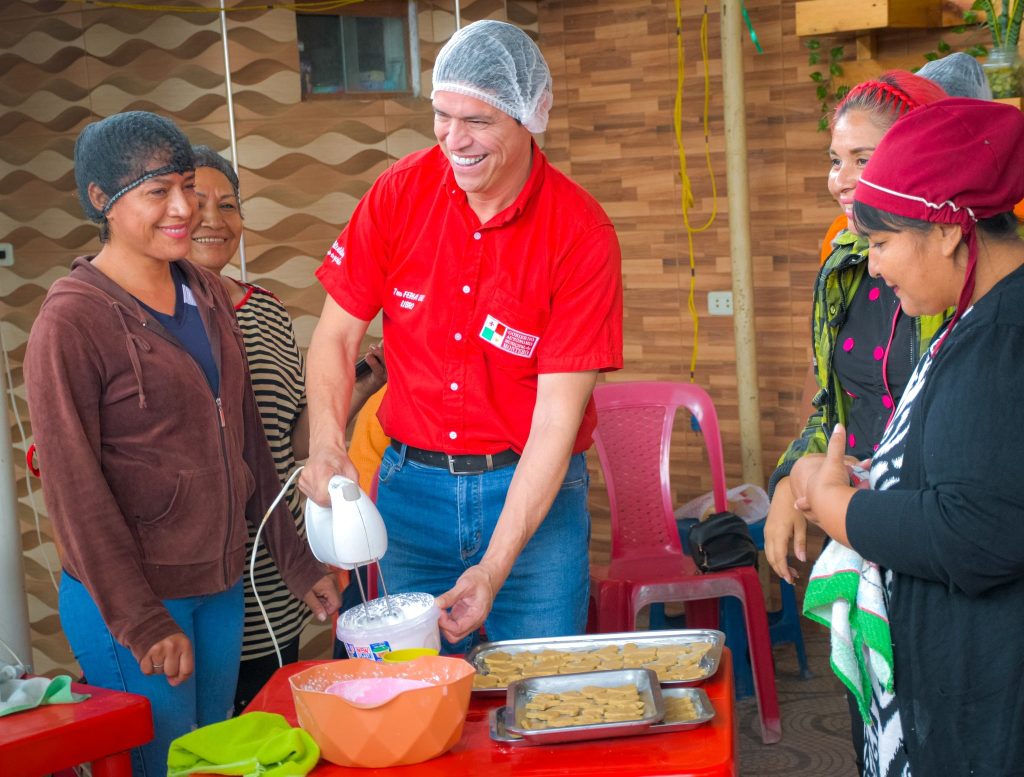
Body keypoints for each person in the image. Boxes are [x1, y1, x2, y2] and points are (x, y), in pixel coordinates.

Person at [23, 112, 339, 776]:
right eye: (156, 192)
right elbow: (74, 489)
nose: (183, 208)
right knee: (164, 764)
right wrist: (142, 621)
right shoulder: (72, 317)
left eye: (187, 187)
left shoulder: (205, 290)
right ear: (102, 201)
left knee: (212, 760)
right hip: (134, 597)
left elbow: (251, 441)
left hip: (219, 585)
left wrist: (298, 561)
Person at [300, 19, 623, 653]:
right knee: (411, 700)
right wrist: (325, 443)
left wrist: (495, 565)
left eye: (478, 121)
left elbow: (557, 420)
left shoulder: (580, 233)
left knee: (536, 697)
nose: (455, 138)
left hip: (532, 504)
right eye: (443, 116)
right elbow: (336, 337)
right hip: (409, 493)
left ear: (531, 116)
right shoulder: (399, 193)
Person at [793, 97, 1024, 777]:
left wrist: (835, 503)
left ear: (950, 231)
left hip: (985, 709)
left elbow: (975, 531)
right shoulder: (981, 316)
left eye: (884, 243)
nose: (877, 269)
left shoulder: (1002, 339)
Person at [763, 71, 947, 775]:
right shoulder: (842, 258)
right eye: (835, 159)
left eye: (863, 160)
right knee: (875, 731)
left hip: (935, 537)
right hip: (861, 537)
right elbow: (833, 404)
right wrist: (790, 481)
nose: (842, 180)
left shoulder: (956, 268)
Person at [187, 146, 385, 713]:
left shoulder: (265, 309)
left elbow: (291, 441)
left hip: (279, 571)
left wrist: (364, 380)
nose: (214, 219)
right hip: (204, 573)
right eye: (197, 203)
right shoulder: (152, 320)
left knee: (269, 727)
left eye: (228, 205)